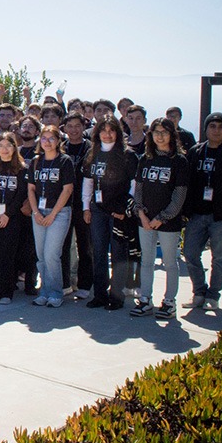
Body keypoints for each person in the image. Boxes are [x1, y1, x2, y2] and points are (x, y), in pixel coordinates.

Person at [181, 112, 222, 311]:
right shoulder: (195, 151)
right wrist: (186, 210)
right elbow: (188, 183)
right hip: (197, 214)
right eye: (212, 126)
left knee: (219, 258)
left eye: (220, 127)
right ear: (206, 128)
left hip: (221, 217)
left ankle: (213, 295)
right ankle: (199, 292)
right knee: (190, 253)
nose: (216, 130)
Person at [132, 118, 188, 319]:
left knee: (169, 263)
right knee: (146, 261)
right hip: (144, 220)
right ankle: (145, 299)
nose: (160, 136)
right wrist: (141, 213)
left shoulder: (179, 161)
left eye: (164, 132)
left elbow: (179, 195)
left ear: (172, 135)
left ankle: (169, 302)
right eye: (156, 131)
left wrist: (162, 218)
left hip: (168, 222)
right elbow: (138, 189)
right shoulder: (145, 159)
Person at [82, 116, 138, 310]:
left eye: (111, 130)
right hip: (97, 210)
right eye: (103, 130)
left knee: (118, 253)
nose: (107, 134)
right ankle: (99, 295)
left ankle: (117, 296)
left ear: (118, 132)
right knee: (98, 252)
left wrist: (125, 208)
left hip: (118, 212)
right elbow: (88, 182)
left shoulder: (127, 155)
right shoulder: (93, 152)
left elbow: (134, 185)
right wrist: (85, 207)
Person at [27, 125, 75, 308]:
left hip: (59, 213)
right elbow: (31, 189)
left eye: (51, 138)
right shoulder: (36, 162)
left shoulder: (65, 161)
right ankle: (44, 291)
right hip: (39, 212)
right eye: (44, 138)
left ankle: (56, 292)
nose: (47, 142)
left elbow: (67, 189)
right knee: (41, 255)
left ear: (58, 141)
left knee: (52, 254)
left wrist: (53, 214)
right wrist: (36, 212)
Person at [0, 133, 29, 304]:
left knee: (7, 255)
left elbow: (21, 194)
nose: (4, 149)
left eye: (8, 145)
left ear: (14, 148)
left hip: (12, 218)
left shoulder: (22, 168)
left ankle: (6, 292)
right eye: (0, 145)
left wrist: (7, 214)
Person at [61, 112, 93, 300]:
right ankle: (65, 283)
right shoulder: (61, 147)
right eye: (70, 126)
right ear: (64, 128)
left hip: (83, 203)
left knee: (85, 245)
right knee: (63, 245)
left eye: (77, 126)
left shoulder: (90, 148)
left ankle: (84, 284)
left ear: (83, 127)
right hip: (63, 203)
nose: (73, 130)